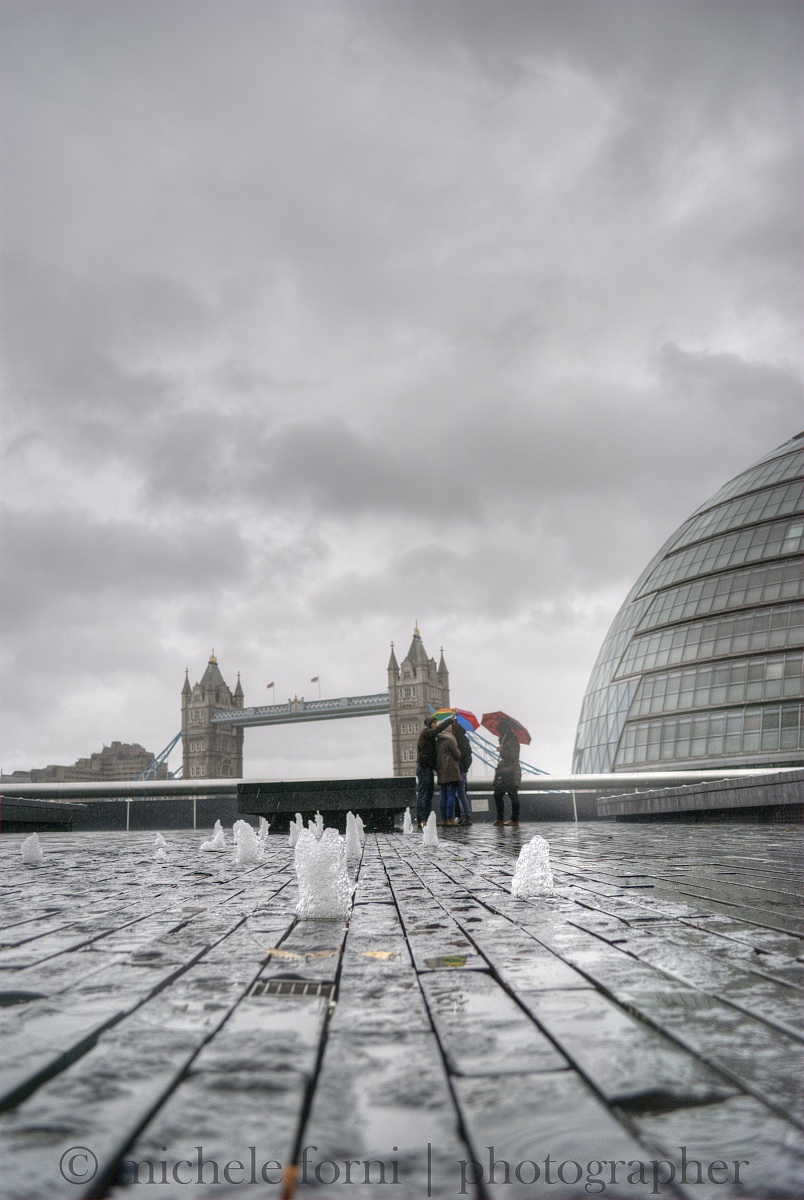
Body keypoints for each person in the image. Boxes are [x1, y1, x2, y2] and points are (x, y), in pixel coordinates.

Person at [415, 715, 451, 826]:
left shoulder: (430, 737)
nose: (436, 724)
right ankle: (422, 820)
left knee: (429, 795)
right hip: (423, 768)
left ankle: (427, 820)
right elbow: (438, 730)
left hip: (428, 768)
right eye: (434, 722)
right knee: (423, 795)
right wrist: (450, 720)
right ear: (430, 724)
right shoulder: (427, 732)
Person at [493, 718, 521, 826]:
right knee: (497, 794)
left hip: (512, 770)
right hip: (504, 770)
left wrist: (502, 750)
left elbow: (514, 756)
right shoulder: (504, 740)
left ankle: (514, 820)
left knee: (512, 794)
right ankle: (500, 818)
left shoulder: (513, 740)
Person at [435, 720, 462, 825]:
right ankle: (450, 819)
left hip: (441, 772)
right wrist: (457, 749)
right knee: (451, 795)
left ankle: (444, 819)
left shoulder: (438, 741)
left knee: (443, 796)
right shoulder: (450, 740)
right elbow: (457, 755)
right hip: (451, 772)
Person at [454, 722, 473, 825]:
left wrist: (461, 767)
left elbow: (459, 755)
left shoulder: (457, 739)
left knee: (460, 793)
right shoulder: (465, 739)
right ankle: (464, 816)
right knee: (461, 793)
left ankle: (466, 816)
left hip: (459, 769)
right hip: (463, 769)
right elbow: (469, 756)